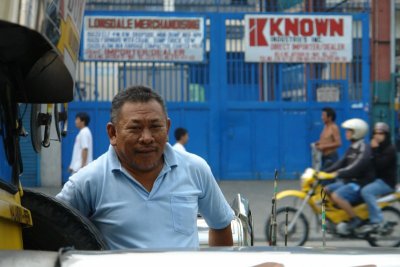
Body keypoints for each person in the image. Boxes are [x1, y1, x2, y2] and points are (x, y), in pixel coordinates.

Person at [56, 85, 234, 250]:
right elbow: (48, 226)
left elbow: (221, 225)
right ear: (113, 133)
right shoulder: (88, 181)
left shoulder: (196, 169)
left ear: (167, 127)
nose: (147, 137)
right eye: (135, 128)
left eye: (156, 126)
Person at [322, 118, 375, 234]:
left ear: (357, 132)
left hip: (359, 183)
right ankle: (340, 217)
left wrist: (338, 173)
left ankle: (355, 219)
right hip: (349, 182)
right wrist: (323, 172)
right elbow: (340, 162)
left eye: (349, 131)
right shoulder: (352, 148)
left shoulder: (364, 148)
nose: (346, 133)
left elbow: (356, 167)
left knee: (336, 196)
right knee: (325, 190)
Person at [358, 122, 397, 233]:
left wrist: (374, 150)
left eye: (380, 133)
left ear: (386, 135)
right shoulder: (378, 147)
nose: (377, 135)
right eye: (375, 133)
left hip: (386, 182)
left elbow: (379, 165)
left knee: (366, 192)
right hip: (377, 180)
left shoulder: (390, 149)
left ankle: (377, 220)